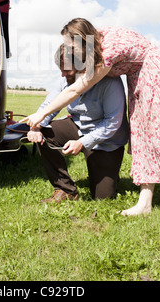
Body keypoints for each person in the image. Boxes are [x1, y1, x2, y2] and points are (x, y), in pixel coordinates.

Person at [21, 18, 160, 243]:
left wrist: (40, 117)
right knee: (145, 140)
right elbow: (60, 94)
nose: (69, 52)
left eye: (71, 47)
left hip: (157, 82)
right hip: (141, 80)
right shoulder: (99, 39)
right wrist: (39, 124)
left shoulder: (105, 57)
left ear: (83, 42)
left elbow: (75, 92)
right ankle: (145, 202)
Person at [27, 43, 129, 202]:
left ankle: (109, 175)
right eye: (60, 69)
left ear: (83, 66)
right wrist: (36, 127)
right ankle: (65, 189)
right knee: (46, 134)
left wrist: (82, 143)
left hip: (106, 141)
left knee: (102, 197)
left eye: (66, 69)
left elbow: (112, 123)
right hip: (78, 127)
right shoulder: (66, 80)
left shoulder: (110, 83)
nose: (62, 74)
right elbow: (49, 105)